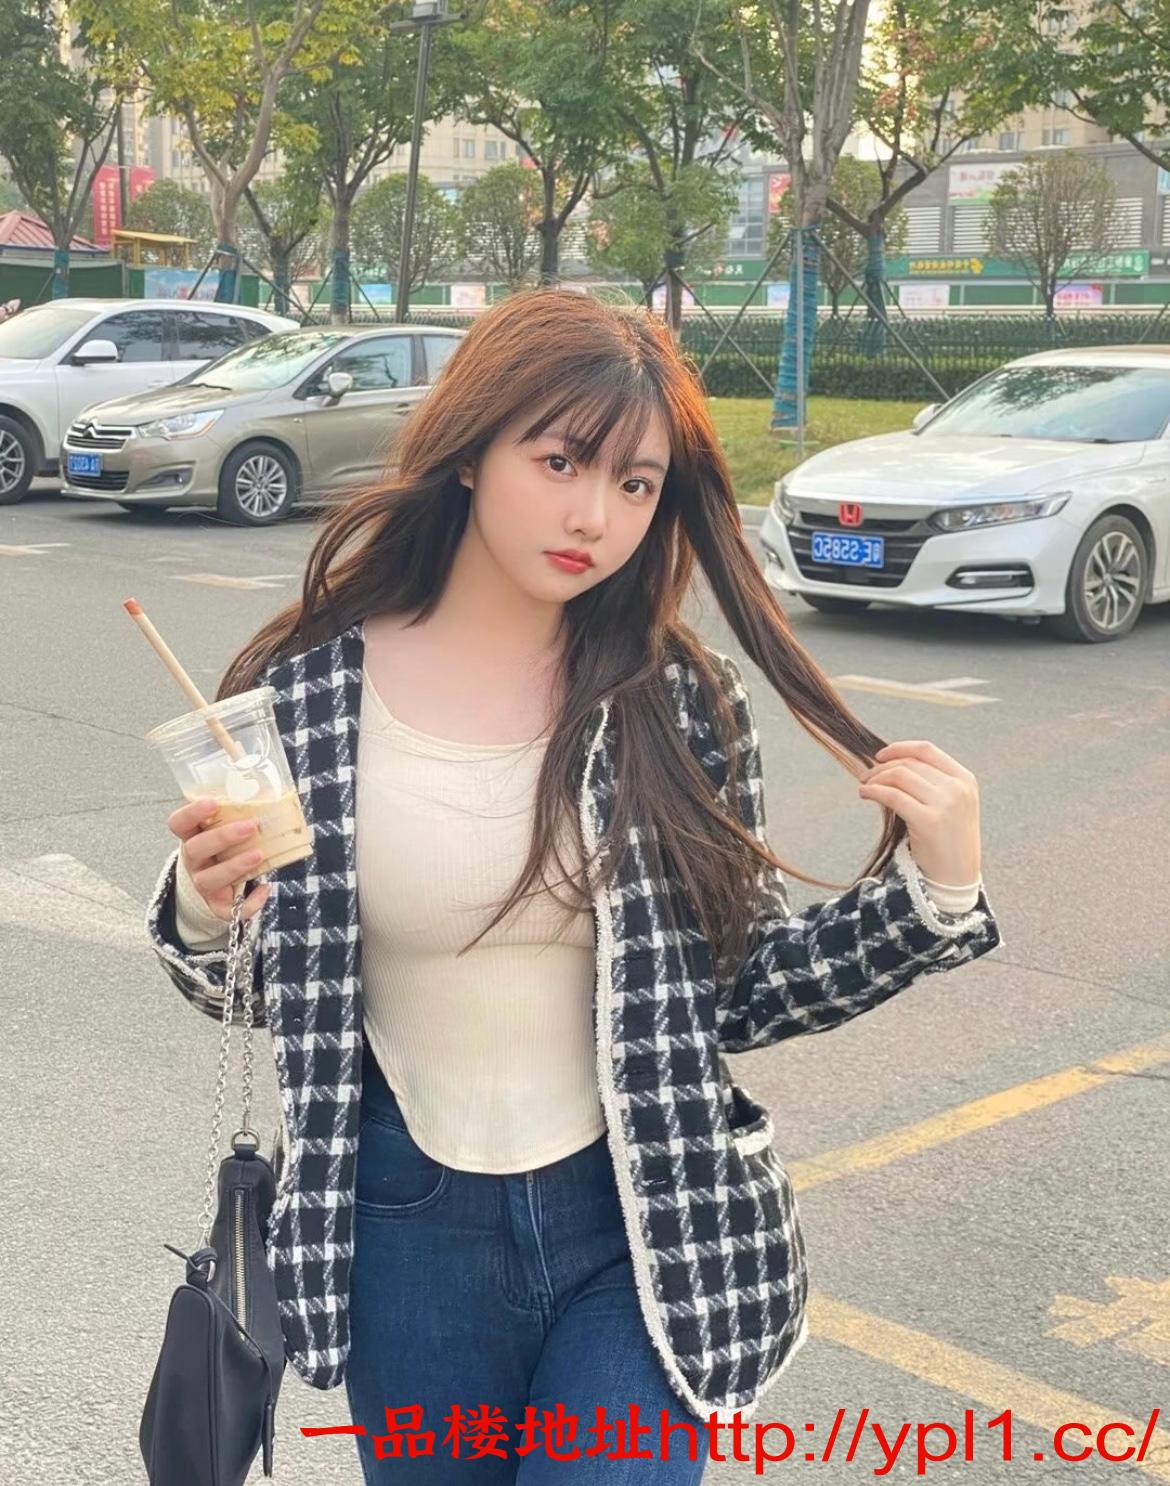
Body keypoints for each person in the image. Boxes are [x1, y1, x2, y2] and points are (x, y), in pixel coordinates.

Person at [146, 287, 1004, 1483]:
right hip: (404, 1232)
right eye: (559, 462)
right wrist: (206, 907)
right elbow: (255, 990)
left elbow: (736, 991)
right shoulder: (308, 698)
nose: (594, 516)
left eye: (636, 484)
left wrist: (930, 897)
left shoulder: (679, 700)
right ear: (470, 451)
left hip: (643, 1226)